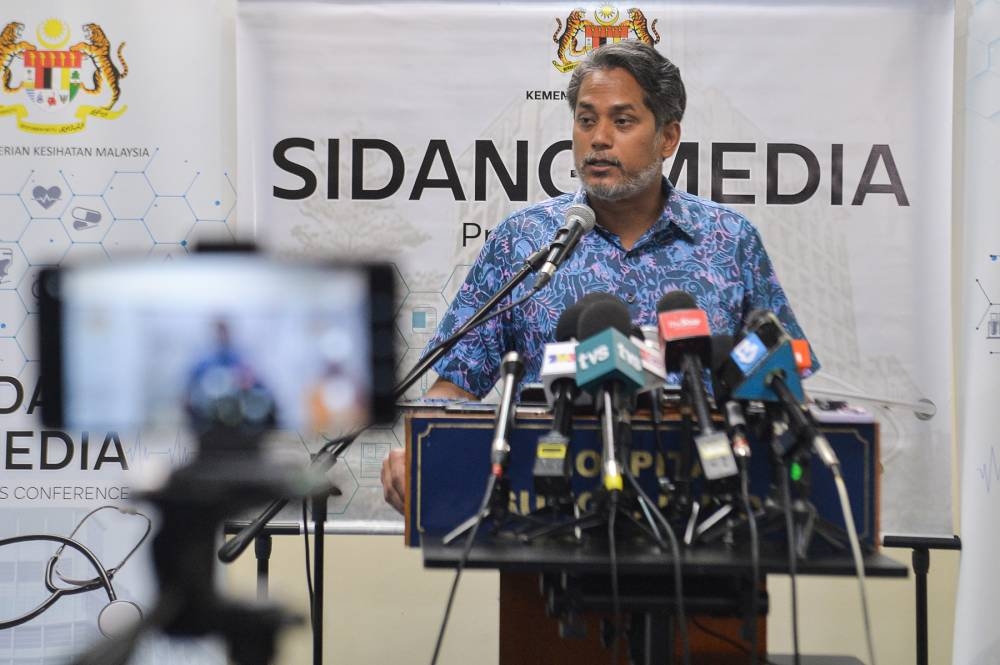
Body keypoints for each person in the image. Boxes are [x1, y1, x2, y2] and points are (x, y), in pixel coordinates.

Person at [381, 40, 815, 514]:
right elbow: (453, 386)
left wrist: (818, 443)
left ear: (668, 137)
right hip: (551, 521)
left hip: (715, 516)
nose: (599, 138)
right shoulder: (524, 244)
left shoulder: (730, 242)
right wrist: (418, 450)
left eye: (622, 121)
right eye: (586, 120)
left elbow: (783, 382)